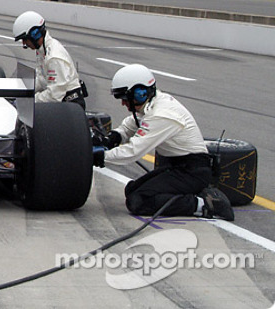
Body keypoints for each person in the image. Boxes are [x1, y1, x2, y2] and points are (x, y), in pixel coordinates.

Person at [93, 64, 234, 221]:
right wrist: (114, 136)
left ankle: (205, 205)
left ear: (140, 93)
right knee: (132, 190)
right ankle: (191, 194)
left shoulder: (163, 115)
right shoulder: (154, 103)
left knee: (138, 201)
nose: (123, 103)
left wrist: (99, 156)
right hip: (176, 167)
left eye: (125, 99)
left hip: (192, 172)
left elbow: (133, 152)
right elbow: (133, 123)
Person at [12, 10, 85, 108]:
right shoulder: (42, 50)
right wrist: (21, 90)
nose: (24, 44)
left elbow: (54, 95)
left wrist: (30, 100)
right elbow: (41, 79)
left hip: (69, 106)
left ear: (35, 34)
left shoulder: (54, 57)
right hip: (60, 102)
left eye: (25, 39)